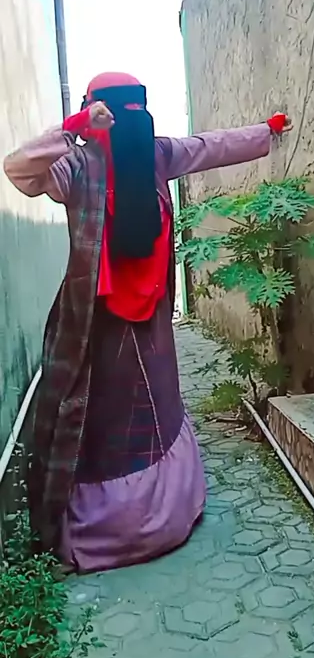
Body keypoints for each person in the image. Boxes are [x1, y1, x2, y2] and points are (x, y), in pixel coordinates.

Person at [3, 71, 292, 574]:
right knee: (103, 417)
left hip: (152, 317)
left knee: (155, 407)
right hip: (94, 322)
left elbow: (212, 146)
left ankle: (165, 511)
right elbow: (19, 170)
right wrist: (75, 127)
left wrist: (265, 132)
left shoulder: (158, 155)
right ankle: (105, 529)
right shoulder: (77, 165)